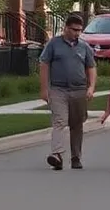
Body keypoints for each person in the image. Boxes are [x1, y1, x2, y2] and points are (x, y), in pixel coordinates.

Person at [39, 12, 97, 171]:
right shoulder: (53, 44)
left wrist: (91, 87)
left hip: (79, 90)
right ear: (66, 28)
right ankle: (57, 155)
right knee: (59, 121)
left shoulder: (84, 47)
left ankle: (76, 157)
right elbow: (44, 65)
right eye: (74, 30)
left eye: (79, 30)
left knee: (77, 124)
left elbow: (91, 67)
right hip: (58, 89)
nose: (77, 33)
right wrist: (44, 89)